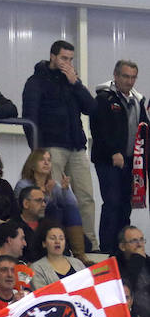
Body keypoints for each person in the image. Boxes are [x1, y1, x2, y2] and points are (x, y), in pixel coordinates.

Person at [23, 40, 98, 249]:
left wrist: (76, 84)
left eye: (71, 59)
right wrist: (37, 151)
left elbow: (91, 108)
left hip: (76, 146)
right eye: (64, 58)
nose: (67, 63)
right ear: (52, 56)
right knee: (53, 197)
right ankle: (54, 242)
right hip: (51, 147)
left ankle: (90, 243)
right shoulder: (36, 82)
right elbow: (29, 118)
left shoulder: (71, 82)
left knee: (85, 197)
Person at [90, 60, 149, 253]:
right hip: (108, 161)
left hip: (132, 162)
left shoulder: (138, 101)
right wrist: (114, 151)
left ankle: (124, 247)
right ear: (116, 76)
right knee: (112, 202)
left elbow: (144, 130)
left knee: (126, 204)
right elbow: (99, 129)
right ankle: (108, 249)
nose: (129, 81)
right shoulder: (104, 99)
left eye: (133, 77)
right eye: (125, 76)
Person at [17, 148, 88, 262]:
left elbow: (72, 204)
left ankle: (79, 255)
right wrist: (46, 195)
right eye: (42, 160)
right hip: (34, 221)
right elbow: (29, 207)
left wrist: (65, 189)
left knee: (69, 209)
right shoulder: (23, 184)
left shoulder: (52, 184)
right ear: (33, 164)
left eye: (49, 160)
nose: (46, 163)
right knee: (54, 209)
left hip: (53, 223)